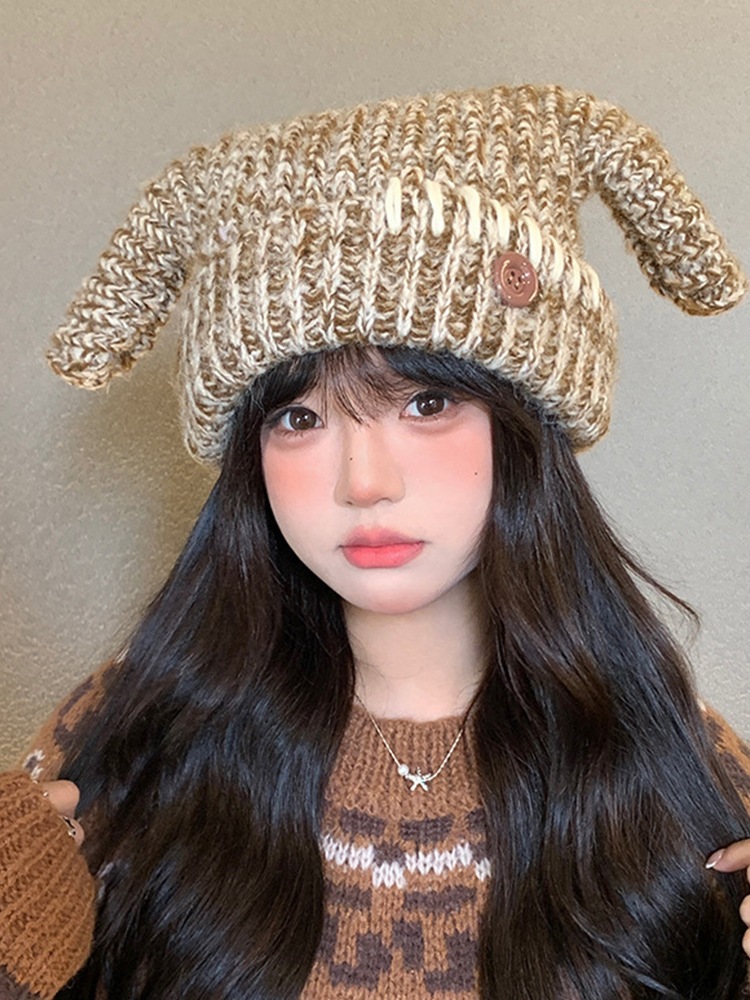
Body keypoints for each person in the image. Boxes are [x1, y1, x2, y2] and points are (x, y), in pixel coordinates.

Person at [1, 82, 749, 1000]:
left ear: (524, 429)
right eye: (300, 418)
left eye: (426, 402)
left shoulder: (668, 758)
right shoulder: (133, 734)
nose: (364, 482)